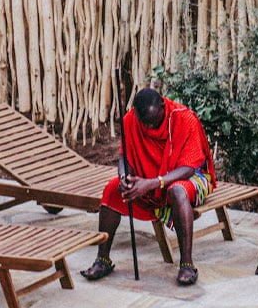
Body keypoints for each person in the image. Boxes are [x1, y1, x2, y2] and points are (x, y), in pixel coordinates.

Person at [85, 87, 215, 286]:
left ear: (163, 105)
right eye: (144, 122)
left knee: (177, 191)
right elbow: (125, 156)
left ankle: (187, 264)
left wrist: (154, 183)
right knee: (112, 189)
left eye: (153, 121)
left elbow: (188, 167)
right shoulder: (130, 120)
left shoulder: (184, 118)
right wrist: (123, 176)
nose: (149, 126)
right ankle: (103, 259)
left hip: (192, 176)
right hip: (151, 177)